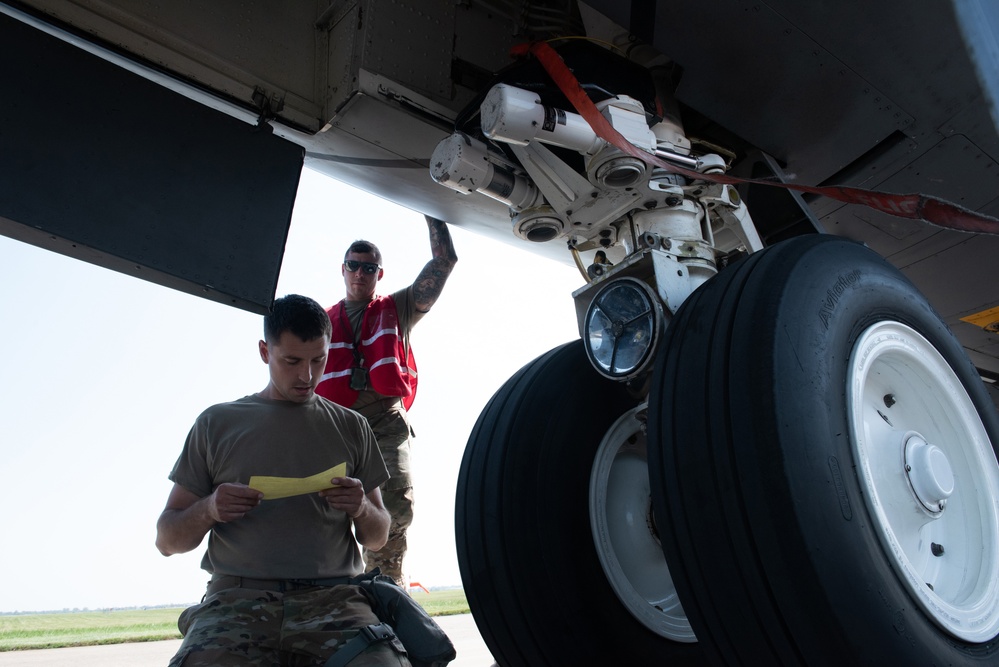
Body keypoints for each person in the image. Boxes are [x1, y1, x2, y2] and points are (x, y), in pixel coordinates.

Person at [155, 294, 410, 666]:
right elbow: (167, 540)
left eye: (318, 360)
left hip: (335, 601)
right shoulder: (216, 424)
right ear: (264, 351)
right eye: (291, 361)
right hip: (237, 601)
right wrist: (209, 509)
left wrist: (360, 507)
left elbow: (378, 535)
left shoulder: (352, 426)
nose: (307, 376)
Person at [316, 216, 457, 588]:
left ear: (379, 273)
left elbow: (444, 263)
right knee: (326, 511)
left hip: (384, 422)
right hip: (337, 427)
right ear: (342, 270)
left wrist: (431, 208)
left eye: (368, 267)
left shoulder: (398, 307)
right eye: (353, 265)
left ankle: (386, 592)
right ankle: (333, 593)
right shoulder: (322, 322)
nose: (359, 273)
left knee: (393, 507)